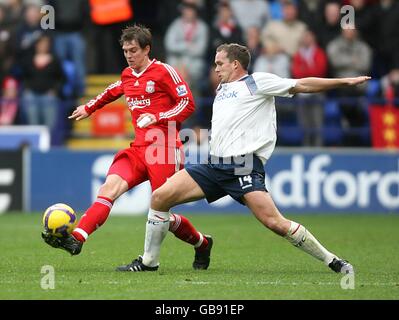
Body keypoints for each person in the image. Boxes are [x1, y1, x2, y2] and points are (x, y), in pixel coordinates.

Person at [121, 43, 370, 273]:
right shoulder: (222, 89)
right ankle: (149, 262)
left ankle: (333, 260)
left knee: (275, 223)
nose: (215, 68)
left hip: (243, 166)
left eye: (220, 63)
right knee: (160, 197)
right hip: (214, 163)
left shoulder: (257, 82)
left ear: (235, 64)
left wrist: (344, 82)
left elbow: (301, 84)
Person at [41, 25, 213, 271]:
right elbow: (112, 91)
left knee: (160, 211)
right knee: (108, 188)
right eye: (125, 51)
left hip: (164, 148)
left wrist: (158, 117)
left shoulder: (164, 72)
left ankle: (201, 243)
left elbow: (187, 103)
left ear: (147, 49)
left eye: (133, 50)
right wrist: (88, 108)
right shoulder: (127, 75)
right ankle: (77, 238)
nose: (129, 55)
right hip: (138, 149)